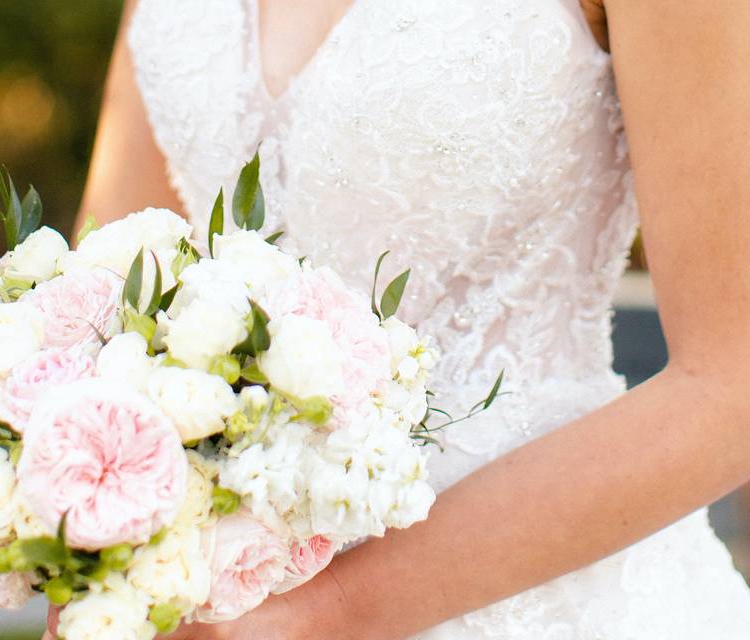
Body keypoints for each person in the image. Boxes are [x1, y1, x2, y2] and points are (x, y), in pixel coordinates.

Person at [46, 1, 750, 637]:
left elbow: (730, 384)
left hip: (549, 597)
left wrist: (327, 614)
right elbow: (113, 300)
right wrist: (91, 567)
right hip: (208, 598)